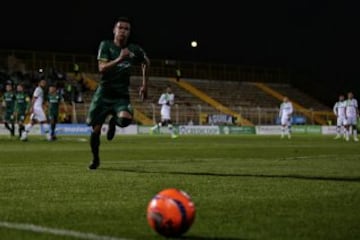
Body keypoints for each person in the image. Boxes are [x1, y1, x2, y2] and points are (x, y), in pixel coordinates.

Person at [86, 16, 150, 170]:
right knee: (95, 130)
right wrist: (120, 58)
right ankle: (95, 159)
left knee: (126, 120)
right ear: (114, 30)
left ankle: (114, 121)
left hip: (121, 95)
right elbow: (102, 68)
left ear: (129, 33)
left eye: (126, 29)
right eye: (120, 28)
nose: (123, 31)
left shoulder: (134, 49)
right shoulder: (106, 45)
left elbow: (146, 62)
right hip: (103, 94)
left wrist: (144, 84)